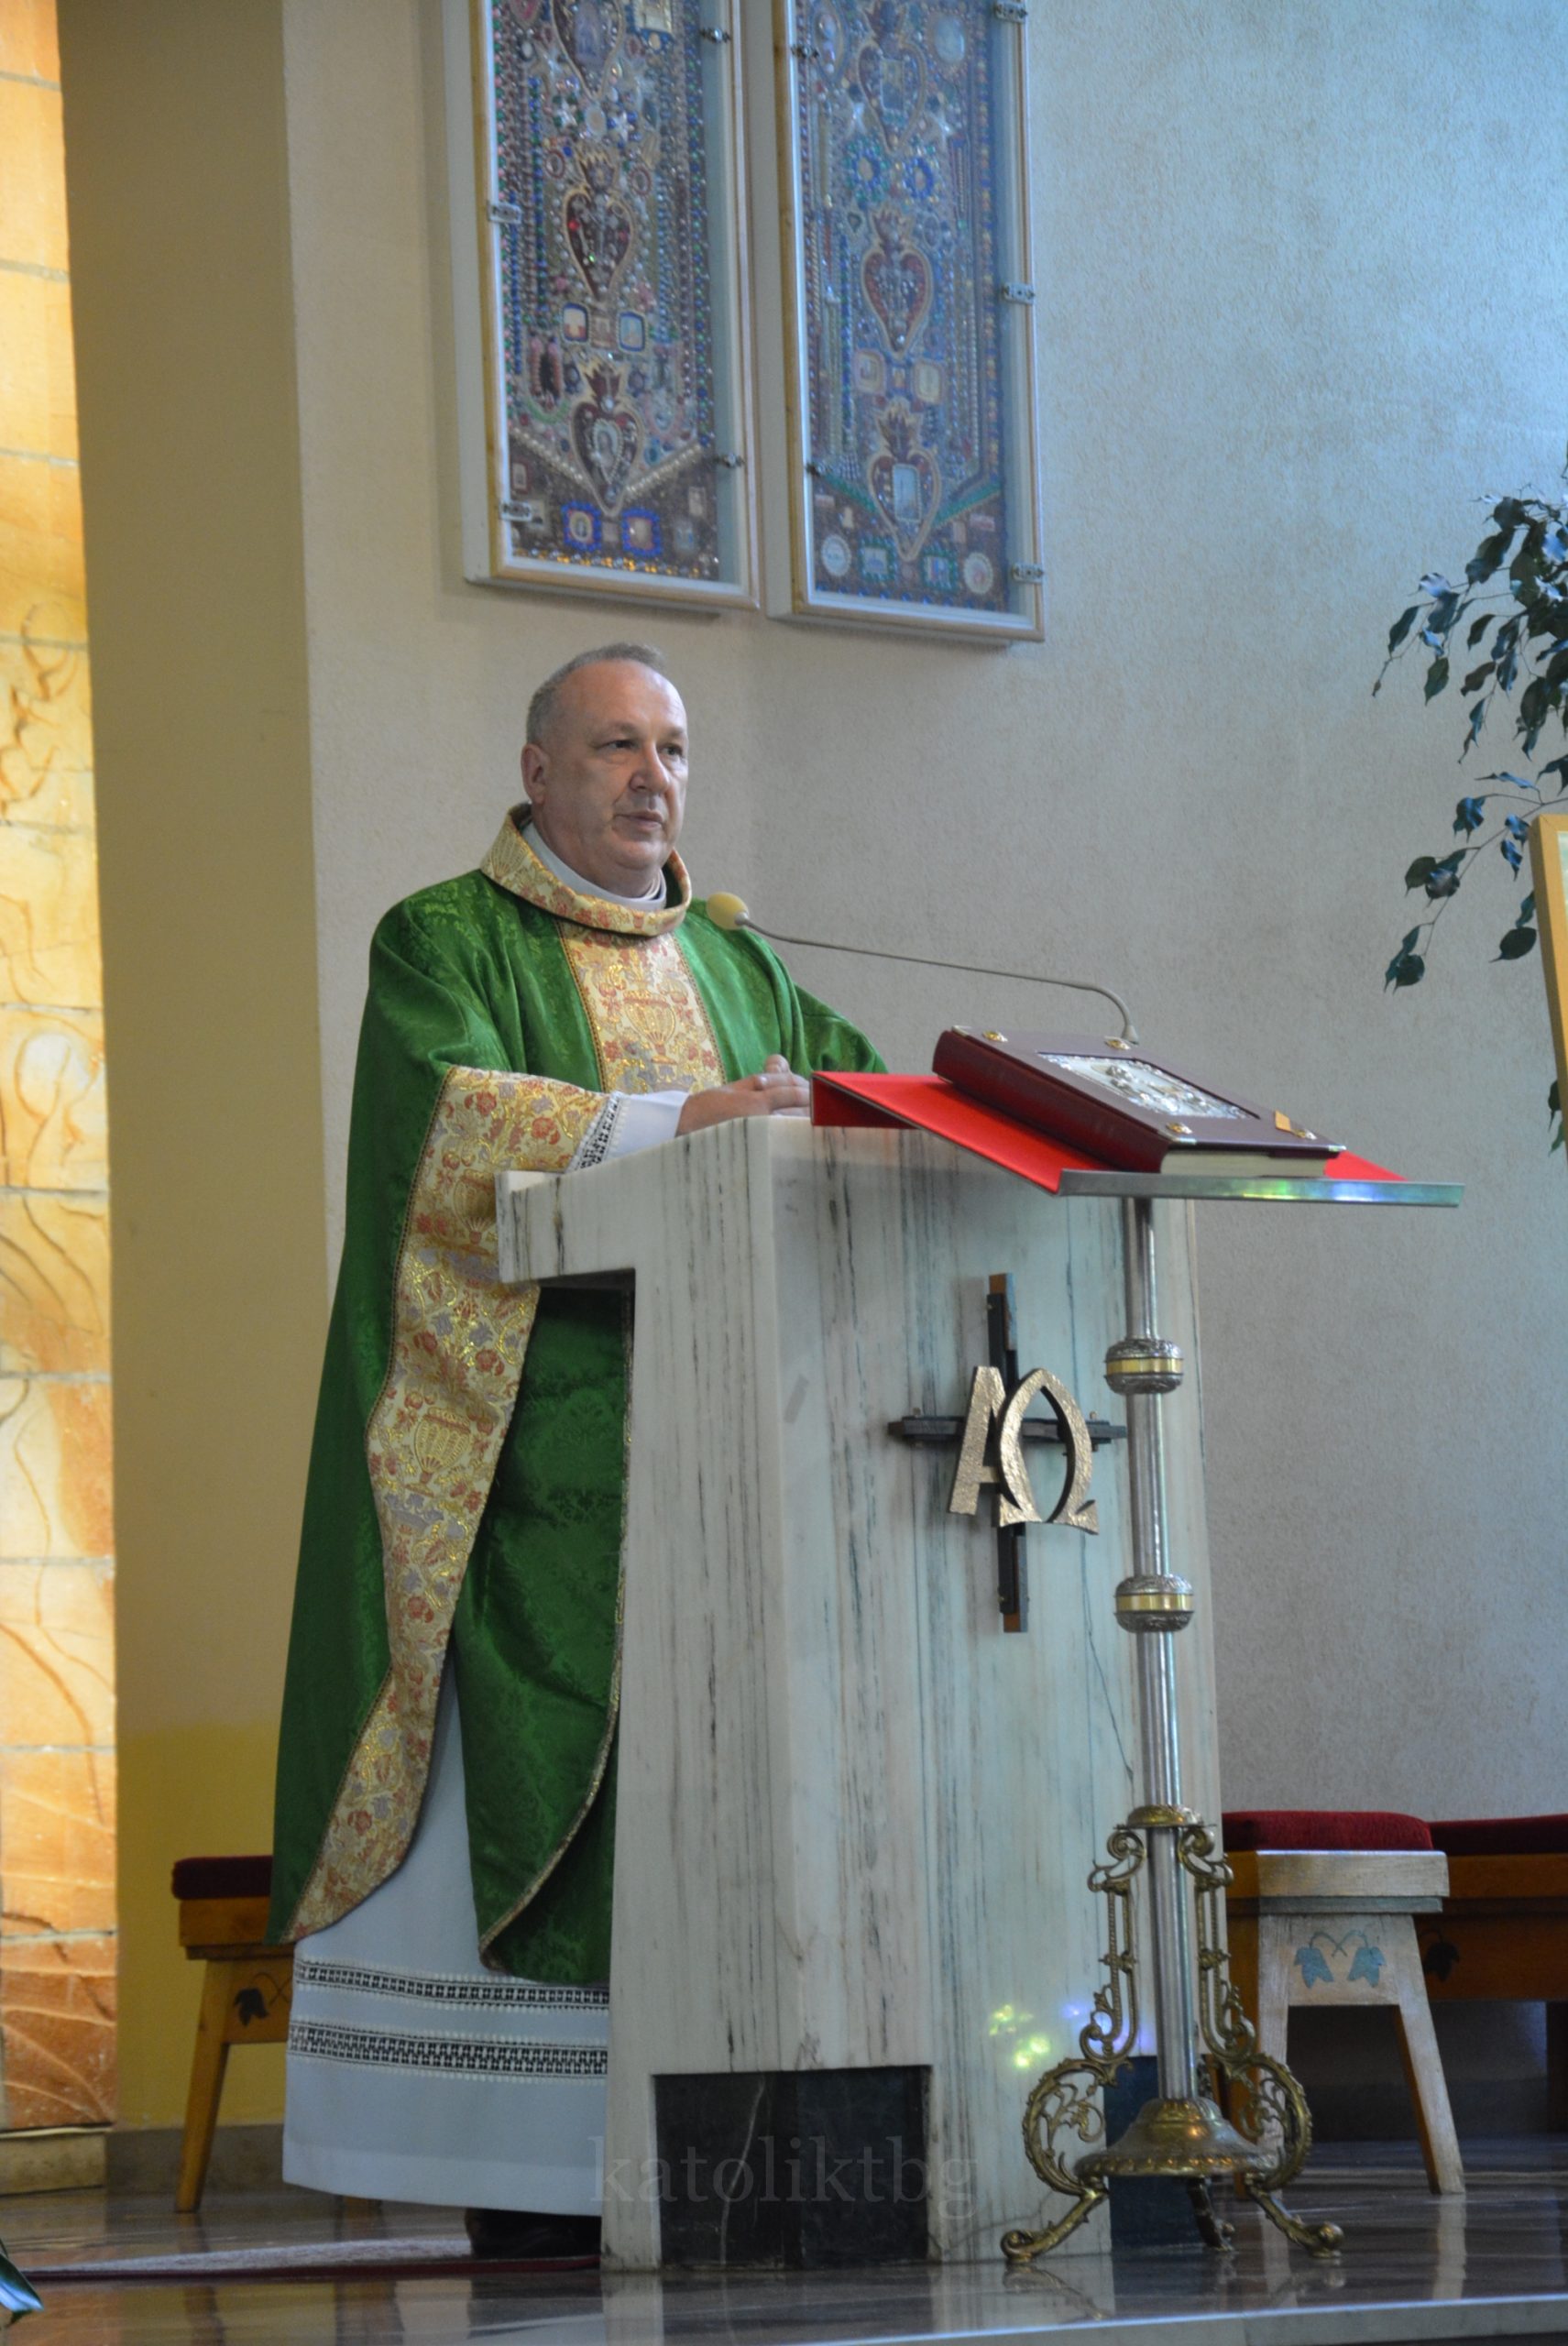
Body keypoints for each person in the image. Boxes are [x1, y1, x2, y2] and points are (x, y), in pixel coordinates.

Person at [268, 644, 882, 2253]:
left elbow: (862, 1093)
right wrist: (690, 1123)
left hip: (731, 1463)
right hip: (527, 1464)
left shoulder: (738, 964)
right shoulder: (445, 937)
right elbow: (450, 1127)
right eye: (616, 746)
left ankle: (731, 2153)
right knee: (530, 1784)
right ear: (537, 771)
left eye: (671, 749)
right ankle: (536, 2189)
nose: (651, 779)